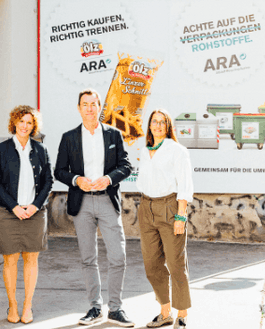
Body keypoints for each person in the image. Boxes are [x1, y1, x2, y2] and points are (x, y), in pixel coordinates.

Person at [55, 89, 134, 327]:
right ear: (79, 108)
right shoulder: (69, 137)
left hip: (107, 200)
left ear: (100, 107)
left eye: (93, 104)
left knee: (118, 256)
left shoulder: (113, 135)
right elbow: (59, 171)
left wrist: (109, 179)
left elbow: (126, 166)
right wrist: (76, 179)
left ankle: (116, 308)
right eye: (85, 104)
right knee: (88, 258)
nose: (89, 108)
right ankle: (95, 307)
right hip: (82, 203)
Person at [0, 105, 53, 324]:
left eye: (29, 122)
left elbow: (48, 181)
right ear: (14, 123)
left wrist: (35, 205)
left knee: (31, 258)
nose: (25, 126)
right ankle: (13, 306)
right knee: (11, 259)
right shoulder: (1, 150)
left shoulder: (41, 150)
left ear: (33, 126)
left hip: (34, 213)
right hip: (7, 212)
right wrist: (14, 206)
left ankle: (27, 306)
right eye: (21, 121)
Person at [137, 110, 194, 329]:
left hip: (170, 208)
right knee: (152, 263)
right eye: (154, 122)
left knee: (175, 263)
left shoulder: (177, 151)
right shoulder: (145, 150)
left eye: (162, 122)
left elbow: (184, 184)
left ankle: (181, 313)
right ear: (149, 125)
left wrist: (180, 215)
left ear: (168, 126)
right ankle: (165, 311)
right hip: (146, 207)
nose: (158, 125)